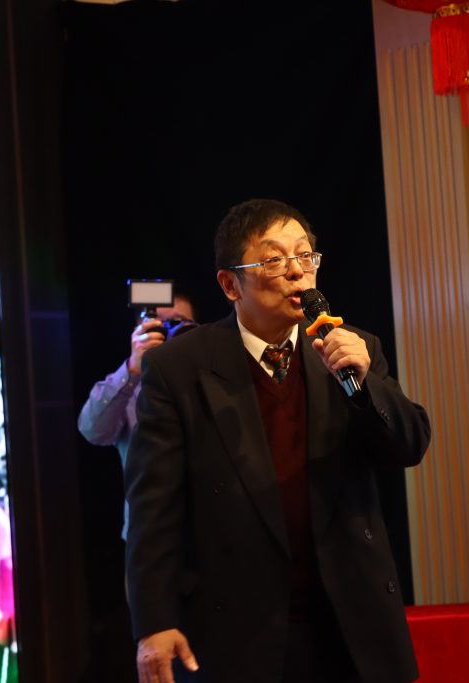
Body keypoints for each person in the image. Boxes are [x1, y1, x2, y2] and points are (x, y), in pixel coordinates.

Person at [125, 199, 431, 683]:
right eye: (273, 260)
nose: (297, 271)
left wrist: (366, 383)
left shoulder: (352, 348)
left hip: (349, 621)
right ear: (231, 285)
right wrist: (154, 621)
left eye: (305, 255)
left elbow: (409, 447)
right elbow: (153, 508)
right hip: (240, 626)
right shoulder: (179, 368)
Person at [77, 293, 196, 537]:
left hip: (213, 532)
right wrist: (132, 369)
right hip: (149, 534)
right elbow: (92, 430)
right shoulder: (129, 390)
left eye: (179, 322)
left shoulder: (217, 380)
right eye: (159, 325)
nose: (169, 332)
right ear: (140, 332)